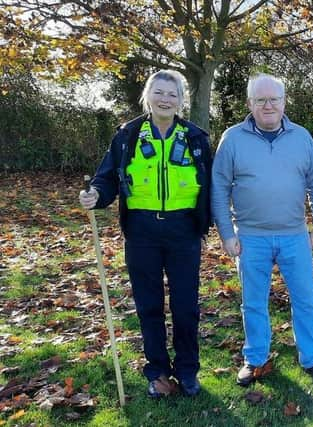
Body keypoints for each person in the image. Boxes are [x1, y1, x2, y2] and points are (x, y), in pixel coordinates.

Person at [79, 70, 212, 398]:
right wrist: (95, 194)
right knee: (149, 306)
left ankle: (187, 371)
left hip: (183, 233)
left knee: (186, 307)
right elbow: (107, 177)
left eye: (173, 93)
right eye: (160, 92)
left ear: (182, 99)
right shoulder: (128, 135)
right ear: (147, 96)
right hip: (142, 233)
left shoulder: (196, 138)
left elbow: (211, 184)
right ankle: (157, 372)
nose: (166, 99)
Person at [211, 73, 313, 387]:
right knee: (253, 301)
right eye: (261, 100)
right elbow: (219, 188)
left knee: (306, 299)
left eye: (274, 99)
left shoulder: (302, 137)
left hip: (295, 235)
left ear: (284, 102)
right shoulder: (233, 138)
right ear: (250, 103)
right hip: (250, 237)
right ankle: (255, 359)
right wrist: (227, 234)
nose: (268, 105)